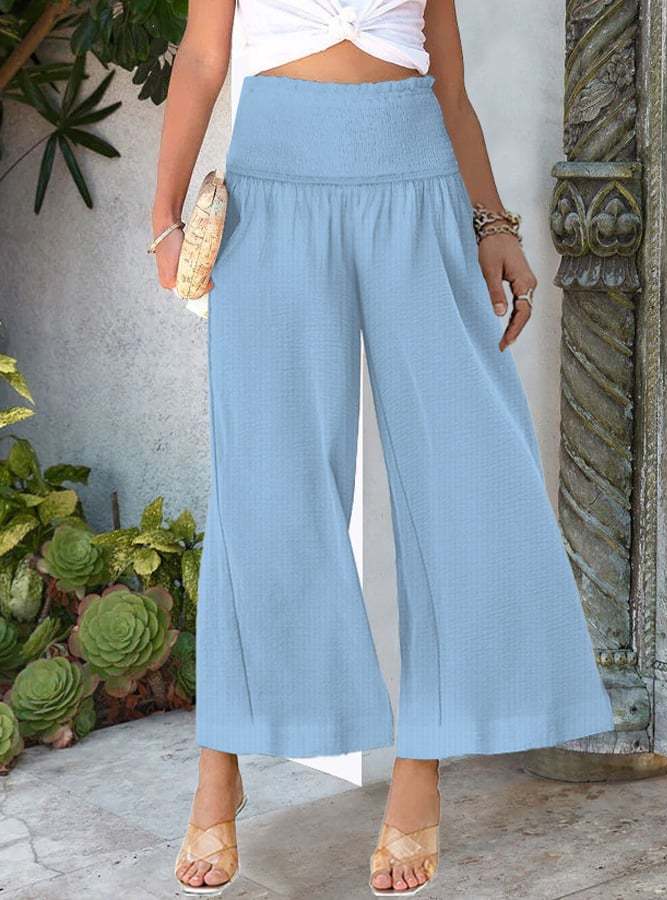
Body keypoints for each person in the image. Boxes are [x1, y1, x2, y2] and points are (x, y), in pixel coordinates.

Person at [150, 0, 615, 894]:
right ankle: (222, 762)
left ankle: (421, 764)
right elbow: (203, 59)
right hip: (272, 187)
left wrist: (493, 225)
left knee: (468, 481)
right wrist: (165, 217)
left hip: (418, 181)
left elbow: (449, 86)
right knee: (264, 484)